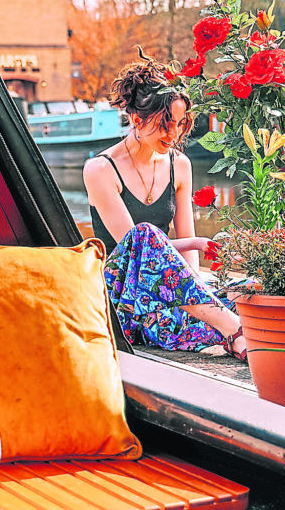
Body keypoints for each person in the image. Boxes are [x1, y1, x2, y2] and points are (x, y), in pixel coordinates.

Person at [83, 55, 247, 359]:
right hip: (124, 300)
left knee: (252, 290)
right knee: (144, 235)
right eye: (164, 124)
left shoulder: (179, 165)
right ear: (136, 119)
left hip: (168, 298)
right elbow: (135, 249)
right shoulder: (100, 170)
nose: (173, 135)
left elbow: (188, 259)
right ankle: (233, 328)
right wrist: (198, 242)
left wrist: (201, 291)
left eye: (180, 124)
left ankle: (222, 329)